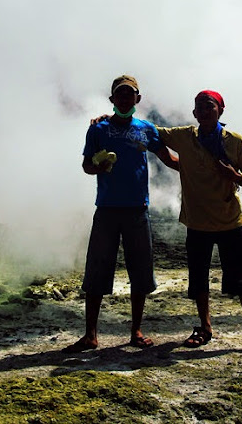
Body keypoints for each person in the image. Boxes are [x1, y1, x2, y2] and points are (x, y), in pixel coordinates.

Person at [63, 75, 178, 353]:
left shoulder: (146, 129)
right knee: (97, 270)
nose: (125, 99)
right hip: (107, 209)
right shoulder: (98, 129)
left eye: (130, 94)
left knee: (140, 270)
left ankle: (136, 331)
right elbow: (86, 165)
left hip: (138, 208)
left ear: (138, 99)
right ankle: (91, 334)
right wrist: (98, 168)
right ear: (112, 99)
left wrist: (203, 172)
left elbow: (168, 158)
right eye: (120, 95)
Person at [157, 90, 242, 358]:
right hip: (197, 223)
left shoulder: (235, 141)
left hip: (230, 221)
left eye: (210, 106)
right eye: (199, 107)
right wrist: (112, 117)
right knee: (199, 279)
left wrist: (238, 176)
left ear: (221, 110)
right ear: (194, 113)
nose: (204, 111)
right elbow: (152, 131)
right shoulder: (185, 136)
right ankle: (205, 327)